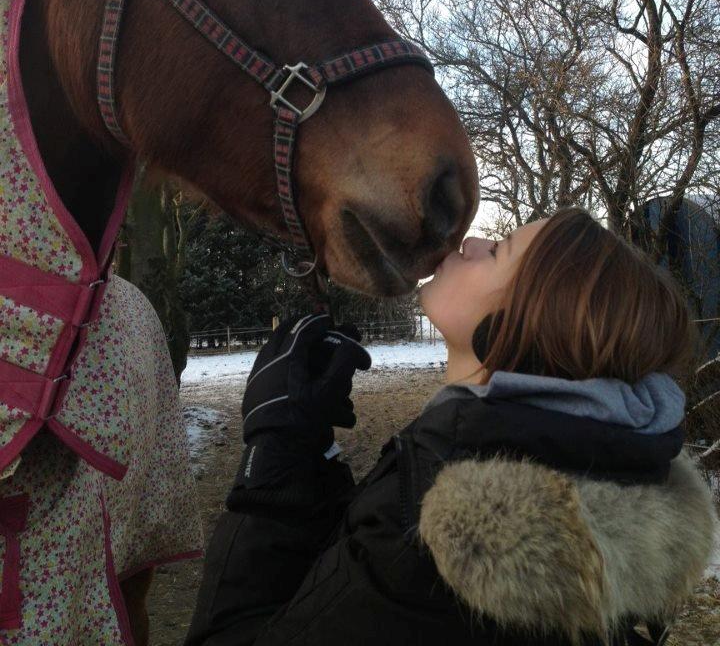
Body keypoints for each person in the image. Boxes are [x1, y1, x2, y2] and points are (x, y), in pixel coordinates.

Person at [184, 207, 716, 646]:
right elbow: (335, 594)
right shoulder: (579, 489)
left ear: (524, 327)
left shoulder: (445, 539)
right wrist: (311, 452)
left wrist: (273, 453)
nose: (474, 241)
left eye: (501, 249)